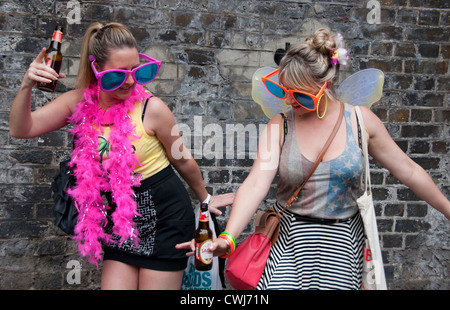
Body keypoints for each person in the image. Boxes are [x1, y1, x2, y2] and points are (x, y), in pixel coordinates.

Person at [177, 28, 450, 289]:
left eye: (301, 95)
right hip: (289, 245)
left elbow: (409, 170)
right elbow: (256, 183)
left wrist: (448, 209)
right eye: (283, 90)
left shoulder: (359, 121)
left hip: (343, 249)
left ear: (326, 85)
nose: (289, 101)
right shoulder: (281, 125)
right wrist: (228, 238)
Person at [9, 22, 234, 290]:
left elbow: (182, 159)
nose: (129, 81)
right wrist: (26, 85)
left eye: (137, 71)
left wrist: (206, 199)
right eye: (117, 74)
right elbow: (21, 129)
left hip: (166, 219)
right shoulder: (77, 101)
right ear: (96, 69)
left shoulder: (152, 109)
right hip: (121, 222)